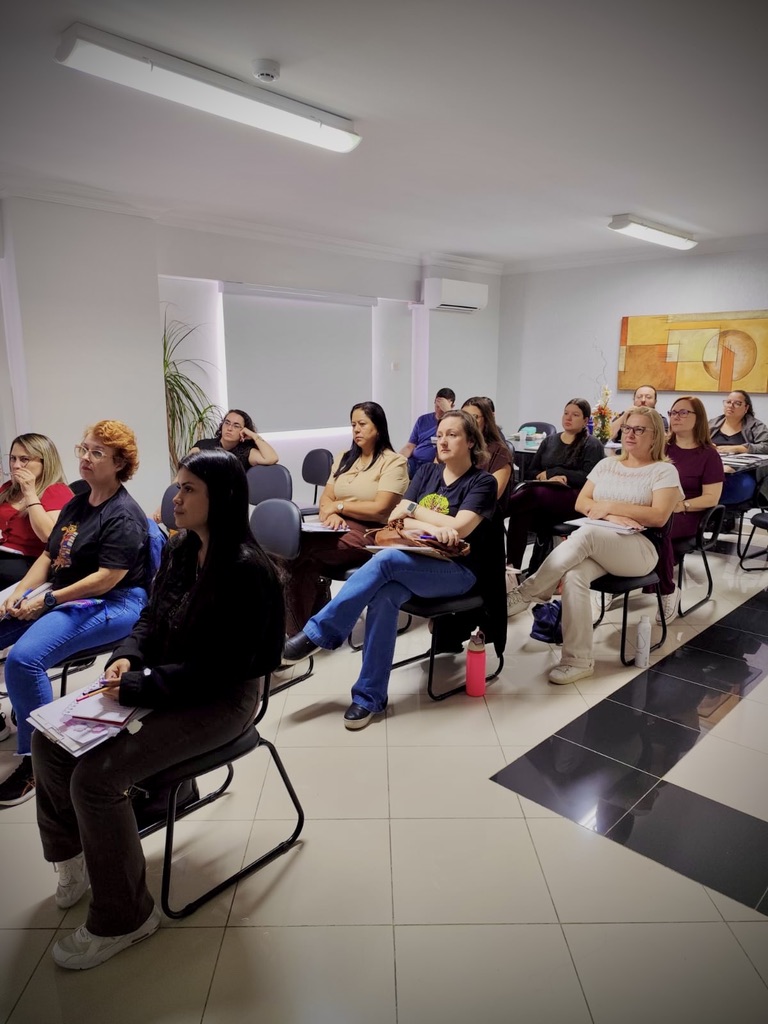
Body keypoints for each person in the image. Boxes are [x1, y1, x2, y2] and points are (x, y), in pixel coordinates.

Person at [30, 448, 284, 970]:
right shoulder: (181, 547)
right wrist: (126, 657)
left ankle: (126, 917)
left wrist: (139, 686)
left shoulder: (246, 571)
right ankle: (75, 855)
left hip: (221, 700)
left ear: (222, 498)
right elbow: (149, 618)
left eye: (189, 489)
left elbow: (221, 671)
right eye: (177, 486)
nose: (176, 498)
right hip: (165, 681)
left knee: (95, 780)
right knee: (46, 741)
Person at [283, 410, 504, 729]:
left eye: (452, 434)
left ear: (471, 441)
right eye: (439, 435)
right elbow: (396, 517)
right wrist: (428, 521)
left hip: (459, 572)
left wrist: (417, 514)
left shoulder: (482, 482)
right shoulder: (427, 472)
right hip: (417, 561)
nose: (442, 441)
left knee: (386, 561)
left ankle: (320, 633)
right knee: (385, 595)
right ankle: (369, 697)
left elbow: (460, 528)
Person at [0, 421, 149, 807]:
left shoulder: (123, 514)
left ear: (120, 463)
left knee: (24, 660)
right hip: (67, 592)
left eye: (97, 453)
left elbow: (106, 579)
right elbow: (49, 555)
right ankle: (19, 721)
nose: (85, 457)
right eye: (84, 448)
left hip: (115, 601)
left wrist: (48, 601)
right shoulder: (78, 502)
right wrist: (20, 592)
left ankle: (40, 763)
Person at [507, 407, 682, 685]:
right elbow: (582, 503)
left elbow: (658, 516)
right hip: (602, 539)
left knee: (586, 534)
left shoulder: (664, 471)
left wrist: (608, 506)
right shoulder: (607, 465)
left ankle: (527, 592)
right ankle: (578, 660)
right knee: (574, 575)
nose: (630, 434)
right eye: (627, 428)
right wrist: (611, 516)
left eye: (639, 429)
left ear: (655, 436)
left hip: (641, 549)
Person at [281, 401, 408, 635]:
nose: (356, 429)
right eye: (353, 425)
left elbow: (380, 509)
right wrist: (330, 513)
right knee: (289, 551)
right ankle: (305, 626)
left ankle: (298, 637)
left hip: (370, 532)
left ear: (378, 427)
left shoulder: (394, 462)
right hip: (335, 526)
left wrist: (339, 507)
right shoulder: (344, 458)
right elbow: (325, 499)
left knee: (299, 554)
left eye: (362, 424)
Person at [505, 398, 605, 571]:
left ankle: (497, 510)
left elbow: (589, 478)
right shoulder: (550, 441)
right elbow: (530, 472)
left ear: (585, 420)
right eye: (566, 413)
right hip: (545, 496)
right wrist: (545, 477)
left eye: (575, 415)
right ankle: (511, 571)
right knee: (520, 514)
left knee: (535, 494)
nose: (568, 418)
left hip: (575, 499)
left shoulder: (592, 444)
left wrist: (557, 473)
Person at [653, 397, 723, 621]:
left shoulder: (708, 454)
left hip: (688, 513)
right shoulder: (661, 447)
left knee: (658, 528)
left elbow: (712, 497)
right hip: (657, 506)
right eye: (673, 412)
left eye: (683, 413)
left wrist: (682, 505)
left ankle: (668, 590)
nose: (676, 417)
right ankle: (625, 575)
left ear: (698, 418)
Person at [0, 434, 73, 587]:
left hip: (31, 562)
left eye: (24, 459)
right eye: (13, 458)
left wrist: (30, 493)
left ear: (45, 462)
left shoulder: (56, 491)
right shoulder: (8, 488)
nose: (16, 465)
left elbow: (48, 535)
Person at [461, 397, 514, 511]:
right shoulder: (456, 447)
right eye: (464, 416)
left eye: (475, 417)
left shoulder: (500, 452)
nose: (469, 422)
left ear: (486, 420)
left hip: (481, 512)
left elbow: (490, 497)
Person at [191, 408, 279, 470]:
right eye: (227, 423)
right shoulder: (202, 446)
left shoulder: (245, 452)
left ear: (244, 431)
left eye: (236, 426)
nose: (229, 428)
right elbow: (185, 473)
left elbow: (272, 458)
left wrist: (254, 436)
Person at [400, 387, 455, 477]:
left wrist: (448, 412)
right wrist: (398, 459)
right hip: (414, 462)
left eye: (442, 407)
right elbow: (410, 446)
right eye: (437, 406)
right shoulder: (423, 420)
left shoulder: (452, 423)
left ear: (451, 406)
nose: (439, 410)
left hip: (433, 466)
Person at [707, 390, 768, 454]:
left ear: (746, 408)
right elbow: (700, 441)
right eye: (728, 402)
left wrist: (737, 448)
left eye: (737, 403)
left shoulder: (756, 426)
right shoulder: (712, 423)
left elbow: (766, 446)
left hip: (742, 460)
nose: (730, 406)